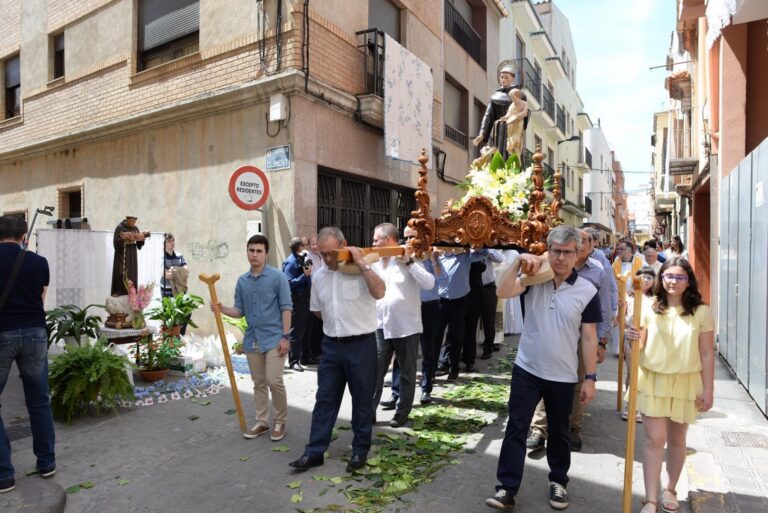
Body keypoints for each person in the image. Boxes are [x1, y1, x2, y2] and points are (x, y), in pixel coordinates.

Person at [486, 226, 601, 511]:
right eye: (556, 251)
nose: (561, 257)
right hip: (527, 368)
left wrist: (590, 378)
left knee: (560, 432)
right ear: (547, 251)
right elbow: (502, 290)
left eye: (567, 252)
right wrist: (518, 261)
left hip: (562, 374)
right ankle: (506, 488)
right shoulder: (535, 279)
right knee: (516, 427)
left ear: (578, 254)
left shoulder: (587, 290)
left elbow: (589, 337)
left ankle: (558, 481)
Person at [290, 227, 385, 473]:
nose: (328, 259)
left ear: (344, 245)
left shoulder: (360, 269)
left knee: (362, 400)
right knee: (325, 399)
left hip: (361, 345)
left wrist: (362, 263)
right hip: (331, 346)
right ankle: (314, 452)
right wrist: (337, 323)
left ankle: (360, 449)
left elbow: (379, 291)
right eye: (323, 254)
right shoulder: (319, 276)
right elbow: (316, 310)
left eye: (332, 253)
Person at [625, 258, 714, 513]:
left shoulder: (701, 311)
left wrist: (708, 389)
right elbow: (639, 342)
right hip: (652, 378)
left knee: (677, 439)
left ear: (689, 281)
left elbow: (707, 353)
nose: (673, 281)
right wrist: (632, 336)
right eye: (669, 276)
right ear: (661, 278)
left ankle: (670, 489)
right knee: (654, 439)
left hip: (685, 381)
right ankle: (650, 498)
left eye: (680, 277)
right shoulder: (648, 305)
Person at [527, 229, 610, 453]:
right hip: (554, 332)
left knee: (577, 381)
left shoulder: (598, 271)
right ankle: (539, 429)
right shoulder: (550, 266)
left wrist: (602, 341)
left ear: (588, 246)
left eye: (583, 241)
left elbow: (605, 306)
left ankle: (573, 427)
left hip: (583, 335)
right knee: (544, 377)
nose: (578, 246)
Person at [212, 235, 292, 442]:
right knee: (258, 383)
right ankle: (262, 421)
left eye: (259, 251)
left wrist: (285, 337)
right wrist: (221, 309)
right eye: (251, 250)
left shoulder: (278, 278)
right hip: (253, 339)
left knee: (274, 380)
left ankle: (280, 421)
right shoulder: (242, 281)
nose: (254, 254)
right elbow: (239, 311)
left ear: (266, 254)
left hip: (275, 338)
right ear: (247, 252)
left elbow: (286, 308)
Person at [0, 214, 56, 493]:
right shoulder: (39, 262)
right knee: (39, 400)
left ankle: (4, 475)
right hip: (34, 332)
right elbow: (40, 299)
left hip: (2, 333)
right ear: (24, 236)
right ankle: (46, 463)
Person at [370, 223, 435, 427]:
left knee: (407, 372)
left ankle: (402, 412)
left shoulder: (411, 257)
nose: (373, 243)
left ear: (389, 239)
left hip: (406, 326)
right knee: (375, 371)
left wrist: (409, 262)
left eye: (376, 240)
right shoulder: (375, 261)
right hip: (381, 324)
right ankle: (369, 412)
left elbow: (429, 283)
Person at [621, 266, 656, 423]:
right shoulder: (629, 297)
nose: (646, 280)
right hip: (632, 338)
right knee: (633, 372)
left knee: (647, 373)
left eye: (649, 277)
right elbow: (621, 319)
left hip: (651, 340)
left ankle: (642, 406)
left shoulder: (657, 299)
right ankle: (630, 405)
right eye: (642, 277)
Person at [473, 64, 530, 161]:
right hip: (499, 129)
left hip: (514, 128)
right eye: (501, 77)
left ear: (512, 78)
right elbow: (488, 116)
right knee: (498, 152)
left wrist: (519, 116)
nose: (503, 80)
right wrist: (482, 133)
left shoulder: (519, 95)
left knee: (512, 152)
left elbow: (525, 112)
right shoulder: (495, 96)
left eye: (506, 77)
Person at [282, 237, 314, 371]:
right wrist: (304, 276)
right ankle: (293, 361)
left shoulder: (301, 258)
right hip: (296, 300)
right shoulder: (290, 262)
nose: (307, 247)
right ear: (299, 247)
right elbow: (288, 283)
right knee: (296, 332)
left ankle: (305, 357)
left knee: (306, 330)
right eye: (304, 245)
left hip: (305, 299)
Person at [110, 216, 149, 296]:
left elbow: (139, 245)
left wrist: (142, 237)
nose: (133, 223)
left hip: (132, 254)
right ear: (127, 220)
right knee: (121, 271)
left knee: (132, 272)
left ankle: (131, 291)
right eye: (132, 221)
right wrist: (124, 239)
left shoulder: (135, 228)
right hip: (122, 253)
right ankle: (119, 291)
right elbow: (116, 241)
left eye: (134, 221)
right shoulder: (120, 228)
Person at [161, 233, 191, 334]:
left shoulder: (179, 255)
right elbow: (165, 275)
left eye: (173, 240)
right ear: (164, 243)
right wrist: (178, 271)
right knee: (169, 317)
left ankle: (181, 335)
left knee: (187, 312)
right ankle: (170, 338)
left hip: (180, 291)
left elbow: (186, 271)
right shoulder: (161, 256)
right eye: (169, 241)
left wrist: (173, 270)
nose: (172, 243)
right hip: (167, 292)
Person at [502, 89, 528, 158]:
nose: (512, 98)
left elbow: (525, 113)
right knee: (510, 140)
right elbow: (508, 114)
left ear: (517, 95)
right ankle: (512, 155)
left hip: (519, 122)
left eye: (512, 96)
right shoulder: (512, 105)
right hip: (511, 123)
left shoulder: (524, 103)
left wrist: (516, 116)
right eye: (511, 97)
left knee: (517, 139)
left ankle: (517, 156)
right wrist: (505, 117)